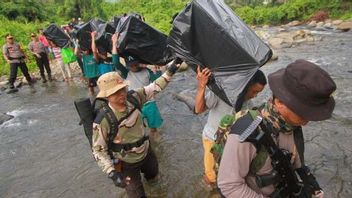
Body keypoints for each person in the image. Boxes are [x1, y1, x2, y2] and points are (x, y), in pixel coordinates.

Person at [217, 59, 336, 198]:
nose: (306, 122)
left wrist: (313, 187)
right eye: (303, 113)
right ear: (279, 102)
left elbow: (298, 165)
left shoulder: (293, 125)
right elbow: (229, 186)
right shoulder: (246, 132)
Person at [92, 60, 180, 198]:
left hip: (146, 152)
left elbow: (155, 86)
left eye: (122, 89)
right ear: (106, 96)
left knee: (154, 178)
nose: (121, 94)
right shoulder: (103, 120)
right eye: (115, 92)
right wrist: (112, 173)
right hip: (125, 163)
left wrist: (172, 69)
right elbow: (98, 150)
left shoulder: (134, 97)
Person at [194, 66, 266, 189]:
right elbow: (199, 109)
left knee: (227, 176)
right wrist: (202, 86)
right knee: (211, 176)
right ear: (246, 85)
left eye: (258, 93)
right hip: (212, 140)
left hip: (229, 145)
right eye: (254, 91)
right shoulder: (221, 94)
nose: (255, 96)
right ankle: (209, 188)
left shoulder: (248, 104)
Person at [111, 33, 164, 141]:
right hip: (134, 104)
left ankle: (156, 142)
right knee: (138, 129)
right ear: (127, 65)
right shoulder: (126, 73)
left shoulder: (147, 71)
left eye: (135, 64)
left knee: (153, 128)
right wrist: (114, 43)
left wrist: (157, 71)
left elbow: (158, 83)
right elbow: (115, 62)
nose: (133, 67)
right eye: (131, 65)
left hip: (149, 103)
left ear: (139, 62)